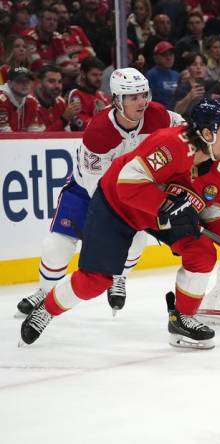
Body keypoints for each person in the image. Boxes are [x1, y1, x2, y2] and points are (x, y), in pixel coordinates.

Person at [20, 99, 220, 350]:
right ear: (206, 133)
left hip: (159, 214)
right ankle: (45, 310)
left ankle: (183, 318)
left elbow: (215, 216)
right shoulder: (170, 144)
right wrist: (168, 207)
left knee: (202, 251)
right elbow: (127, 185)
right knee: (95, 280)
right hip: (117, 204)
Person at [16, 68, 184, 318]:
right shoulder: (99, 132)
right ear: (117, 100)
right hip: (87, 191)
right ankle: (43, 292)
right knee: (58, 245)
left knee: (136, 241)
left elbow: (181, 126)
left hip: (132, 189)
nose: (141, 102)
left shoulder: (156, 114)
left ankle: (118, 277)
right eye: (132, 97)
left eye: (143, 95)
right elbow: (98, 187)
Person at [67, 56, 110, 131]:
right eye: (94, 75)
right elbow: (81, 124)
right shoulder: (76, 94)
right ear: (83, 74)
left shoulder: (101, 95)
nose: (99, 78)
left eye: (100, 75)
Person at [35, 64, 79, 131]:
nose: (57, 86)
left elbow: (67, 134)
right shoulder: (30, 103)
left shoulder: (61, 102)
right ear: (39, 82)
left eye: (60, 82)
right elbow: (39, 138)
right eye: (51, 81)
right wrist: (64, 119)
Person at [145, 41, 179, 109]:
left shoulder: (177, 75)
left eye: (171, 54)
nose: (169, 58)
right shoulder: (151, 76)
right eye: (164, 55)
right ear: (155, 58)